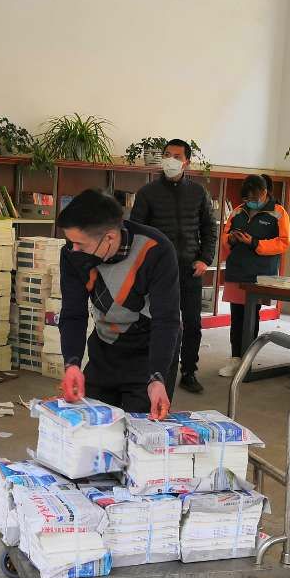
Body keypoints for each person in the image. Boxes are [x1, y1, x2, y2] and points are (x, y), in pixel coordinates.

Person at [56, 189, 180, 418]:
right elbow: (73, 313)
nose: (73, 249)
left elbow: (166, 319)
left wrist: (157, 378)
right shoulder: (72, 253)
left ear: (110, 238)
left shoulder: (156, 249)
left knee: (139, 427)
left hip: (149, 350)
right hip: (106, 346)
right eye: (70, 242)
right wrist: (72, 363)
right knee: (91, 421)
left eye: (80, 244)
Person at [129, 138, 216, 395]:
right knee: (158, 323)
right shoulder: (147, 193)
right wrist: (145, 266)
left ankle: (189, 371)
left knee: (192, 324)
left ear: (186, 161)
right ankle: (156, 372)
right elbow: (136, 232)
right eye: (167, 154)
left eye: (177, 156)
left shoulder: (198, 192)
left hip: (190, 269)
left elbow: (209, 229)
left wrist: (205, 259)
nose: (171, 160)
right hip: (158, 272)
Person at [219, 175, 290, 377]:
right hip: (237, 271)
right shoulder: (238, 211)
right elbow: (224, 235)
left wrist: (254, 243)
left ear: (264, 192)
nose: (250, 201)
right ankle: (235, 358)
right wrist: (231, 239)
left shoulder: (279, 212)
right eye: (247, 198)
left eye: (254, 197)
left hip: (260, 274)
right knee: (237, 316)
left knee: (251, 316)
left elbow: (283, 243)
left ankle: (247, 360)